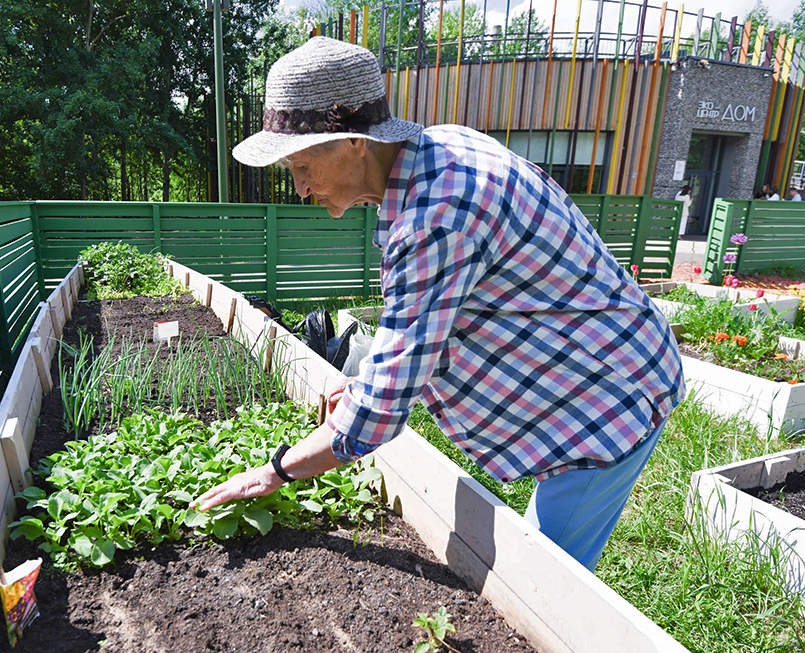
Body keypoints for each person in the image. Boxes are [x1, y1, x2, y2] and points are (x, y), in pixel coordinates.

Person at [191, 37, 685, 573]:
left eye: (304, 164)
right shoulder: (438, 149)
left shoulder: (436, 216)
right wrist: (363, 382)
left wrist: (279, 471)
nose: (301, 187)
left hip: (604, 403)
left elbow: (379, 416)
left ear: (356, 142)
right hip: (585, 364)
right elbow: (430, 317)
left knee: (544, 589)